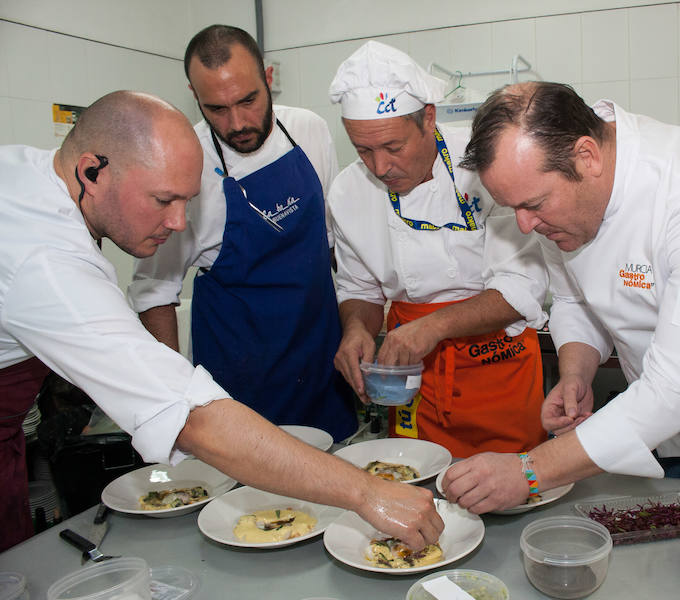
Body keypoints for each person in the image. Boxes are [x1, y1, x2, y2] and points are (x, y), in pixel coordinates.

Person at [0, 90, 442, 552]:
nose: (177, 223)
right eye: (162, 199)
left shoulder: (29, 175)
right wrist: (367, 492)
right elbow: (190, 417)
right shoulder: (45, 262)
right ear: (93, 171)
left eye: (187, 201)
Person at [442, 81, 680, 513]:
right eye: (513, 207)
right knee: (676, 561)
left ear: (586, 156)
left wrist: (528, 471)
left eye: (533, 205)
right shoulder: (559, 201)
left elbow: (676, 389)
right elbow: (574, 299)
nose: (526, 225)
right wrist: (576, 375)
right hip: (660, 432)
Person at [128, 25, 356, 439]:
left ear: (268, 78)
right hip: (240, 381)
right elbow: (153, 292)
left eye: (248, 100)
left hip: (321, 366)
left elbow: (331, 243)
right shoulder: (185, 166)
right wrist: (176, 400)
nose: (237, 124)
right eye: (216, 109)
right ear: (195, 97)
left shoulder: (308, 131)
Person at [327, 41, 549, 458]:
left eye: (393, 147)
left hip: (497, 367)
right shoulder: (348, 191)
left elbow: (522, 288)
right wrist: (356, 328)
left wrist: (430, 328)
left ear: (428, 118)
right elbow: (360, 288)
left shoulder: (488, 160)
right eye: (363, 150)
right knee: (415, 481)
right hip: (413, 375)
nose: (379, 167)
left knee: (511, 487)